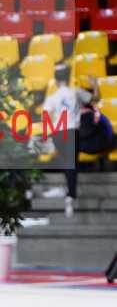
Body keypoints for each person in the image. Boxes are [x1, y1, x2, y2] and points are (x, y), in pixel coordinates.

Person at [42, 70, 100, 218]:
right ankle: (70, 195)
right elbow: (95, 98)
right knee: (71, 165)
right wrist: (95, 85)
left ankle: (67, 190)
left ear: (56, 81)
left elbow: (45, 116)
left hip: (58, 133)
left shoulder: (53, 97)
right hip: (71, 131)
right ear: (68, 79)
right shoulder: (76, 92)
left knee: (67, 163)